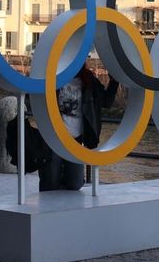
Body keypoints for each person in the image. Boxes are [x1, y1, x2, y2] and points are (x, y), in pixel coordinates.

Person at [39, 61, 119, 192]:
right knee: (50, 181)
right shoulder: (54, 78)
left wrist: (114, 82)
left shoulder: (88, 80)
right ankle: (53, 203)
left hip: (76, 139)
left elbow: (106, 101)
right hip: (54, 138)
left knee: (75, 183)